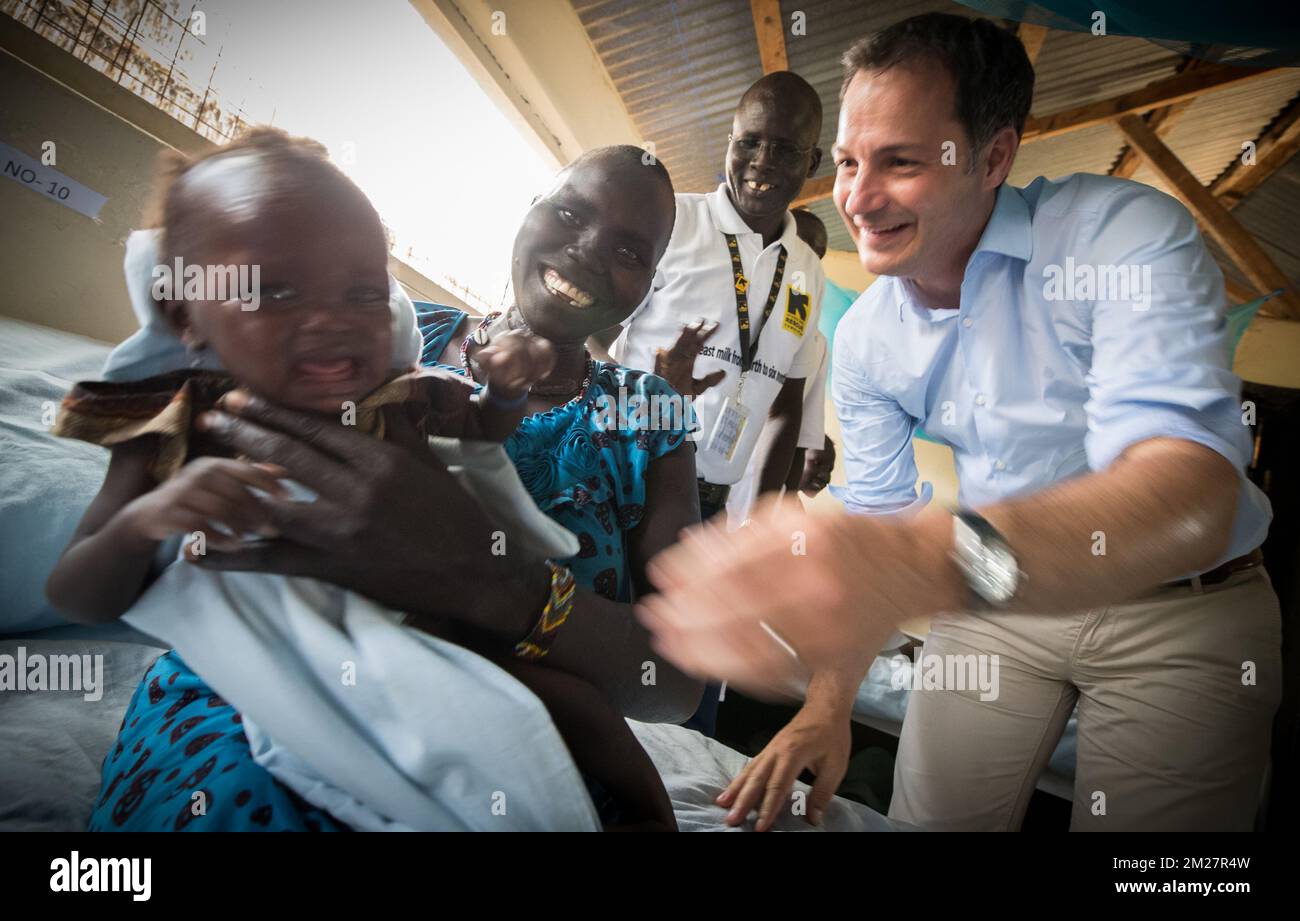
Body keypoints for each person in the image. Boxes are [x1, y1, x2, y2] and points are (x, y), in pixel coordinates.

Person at [639, 12, 1280, 833]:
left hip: (1183, 611)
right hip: (996, 609)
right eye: (846, 163)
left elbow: (1193, 499)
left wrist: (908, 557)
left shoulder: (1120, 236)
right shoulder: (868, 337)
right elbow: (878, 511)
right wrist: (828, 704)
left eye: (899, 162)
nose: (857, 199)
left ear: (994, 156)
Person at [51, 132, 698, 830]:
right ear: (532, 205)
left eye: (632, 251)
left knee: (585, 726)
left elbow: (679, 679)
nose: (589, 250)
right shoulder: (378, 338)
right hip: (255, 674)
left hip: (487, 677)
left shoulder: (646, 415)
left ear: (651, 284)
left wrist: (495, 579)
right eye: (571, 213)